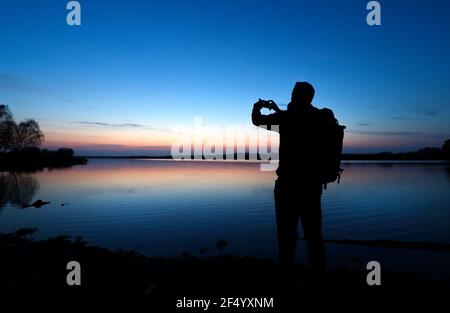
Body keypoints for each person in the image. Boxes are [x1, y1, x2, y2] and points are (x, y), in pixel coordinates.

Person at [251, 82, 328, 284]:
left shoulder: (285, 119)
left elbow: (257, 120)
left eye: (293, 93)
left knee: (286, 235)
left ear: (296, 96)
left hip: (287, 185)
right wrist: (279, 110)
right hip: (312, 185)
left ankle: (286, 276)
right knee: (313, 234)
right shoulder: (320, 117)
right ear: (311, 98)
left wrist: (257, 107)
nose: (292, 95)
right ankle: (319, 277)